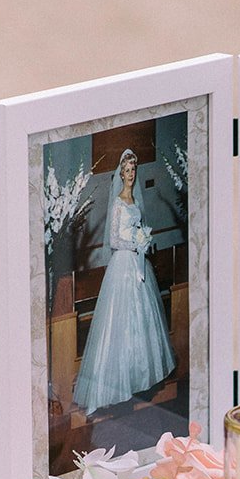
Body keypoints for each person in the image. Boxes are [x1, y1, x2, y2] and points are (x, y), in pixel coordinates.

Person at [73, 149, 175, 416]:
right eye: (127, 170)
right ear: (120, 173)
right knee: (119, 323)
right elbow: (115, 241)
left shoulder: (135, 202)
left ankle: (137, 380)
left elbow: (139, 229)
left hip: (139, 266)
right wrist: (136, 243)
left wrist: (143, 241)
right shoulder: (118, 203)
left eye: (133, 170)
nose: (131, 175)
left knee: (141, 321)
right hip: (123, 265)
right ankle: (111, 387)